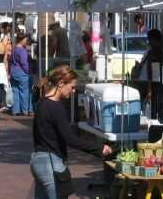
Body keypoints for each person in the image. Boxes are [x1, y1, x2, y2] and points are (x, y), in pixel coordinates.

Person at [31, 66, 112, 199]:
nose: (73, 91)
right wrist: (99, 148)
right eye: (72, 87)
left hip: (37, 161)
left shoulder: (42, 102)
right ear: (61, 83)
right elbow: (71, 139)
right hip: (51, 163)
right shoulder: (56, 107)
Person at [11, 34, 34, 116]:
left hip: (14, 72)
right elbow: (25, 63)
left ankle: (15, 110)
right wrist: (28, 71)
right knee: (25, 92)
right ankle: (26, 110)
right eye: (25, 40)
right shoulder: (22, 51)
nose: (26, 41)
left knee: (15, 92)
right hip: (22, 73)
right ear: (22, 40)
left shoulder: (14, 49)